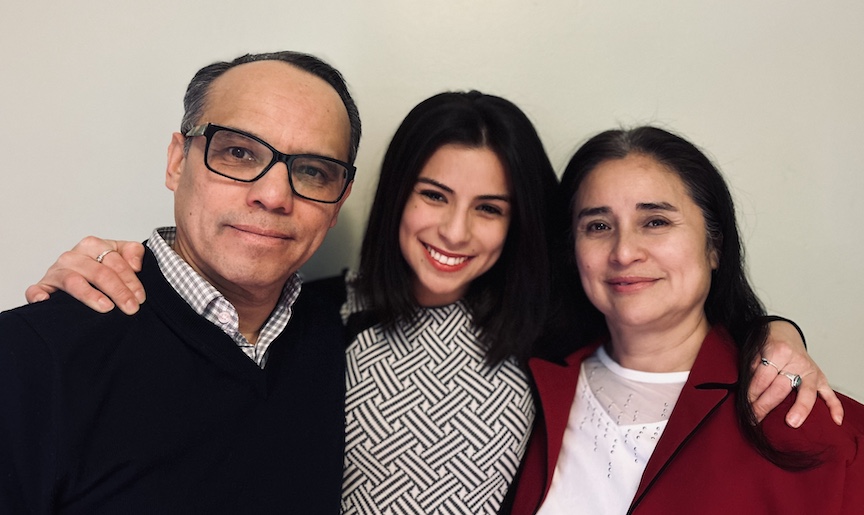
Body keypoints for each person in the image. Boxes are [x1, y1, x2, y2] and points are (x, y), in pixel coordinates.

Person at [23, 105, 842, 514]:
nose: (454, 231)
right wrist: (108, 268)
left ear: (521, 221)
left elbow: (666, 323)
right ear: (393, 198)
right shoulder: (302, 321)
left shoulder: (548, 334)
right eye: (434, 195)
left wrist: (776, 332)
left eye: (490, 207)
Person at [0, 51, 361, 513]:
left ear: (338, 201)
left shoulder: (337, 333)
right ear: (176, 160)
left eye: (312, 171)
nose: (272, 196)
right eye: (238, 152)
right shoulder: (36, 355)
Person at [511, 126, 864, 514]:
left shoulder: (819, 430)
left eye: (655, 221)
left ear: (715, 245)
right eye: (597, 226)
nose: (624, 251)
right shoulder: (519, 397)